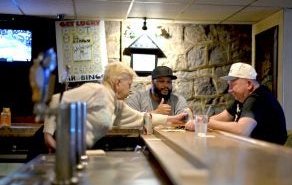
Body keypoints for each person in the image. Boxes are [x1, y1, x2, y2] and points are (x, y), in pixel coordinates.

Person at [43, 61, 187, 152]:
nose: (130, 89)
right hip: (49, 143)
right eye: (129, 84)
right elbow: (56, 100)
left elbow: (142, 118)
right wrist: (48, 135)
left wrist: (173, 119)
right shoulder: (97, 90)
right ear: (118, 83)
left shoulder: (116, 103)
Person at [185, 62, 287, 145]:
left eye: (233, 85)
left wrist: (205, 123)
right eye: (229, 86)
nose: (229, 90)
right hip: (252, 152)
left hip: (269, 159)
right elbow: (225, 116)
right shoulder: (242, 98)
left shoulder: (258, 98)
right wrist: (199, 121)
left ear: (249, 84)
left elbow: (242, 130)